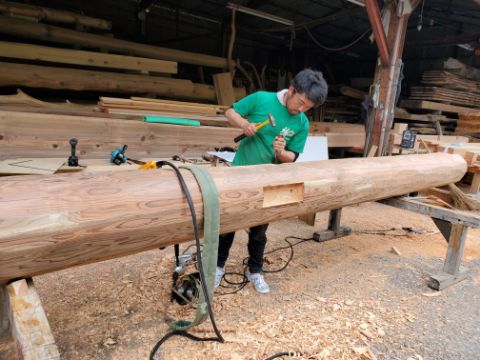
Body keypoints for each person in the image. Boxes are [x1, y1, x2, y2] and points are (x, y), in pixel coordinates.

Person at [214, 68, 328, 293]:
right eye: (301, 102)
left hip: (269, 181)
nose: (302, 109)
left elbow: (291, 159)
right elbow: (230, 112)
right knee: (227, 227)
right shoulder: (261, 99)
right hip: (239, 176)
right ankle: (217, 267)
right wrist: (243, 125)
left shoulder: (302, 123)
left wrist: (281, 152)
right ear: (292, 90)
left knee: (259, 232)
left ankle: (255, 271)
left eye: (308, 107)